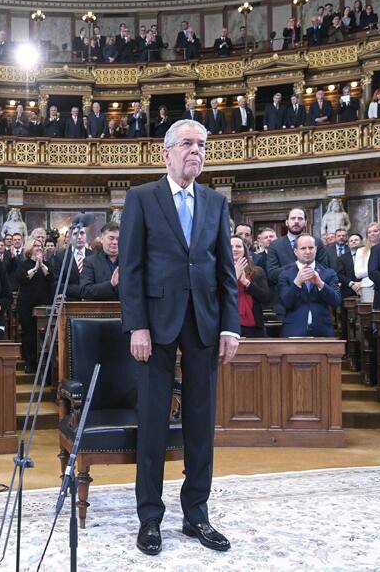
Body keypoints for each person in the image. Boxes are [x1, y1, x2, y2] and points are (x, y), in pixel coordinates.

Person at [118, 118, 238, 557]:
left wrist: (230, 326)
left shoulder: (215, 202)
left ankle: (196, 514)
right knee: (152, 421)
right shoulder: (142, 198)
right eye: (188, 144)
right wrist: (138, 325)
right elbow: (130, 269)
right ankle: (150, 517)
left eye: (202, 145)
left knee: (201, 424)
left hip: (205, 322)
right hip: (156, 323)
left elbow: (225, 269)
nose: (196, 151)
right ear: (166, 152)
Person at [266, 207, 332, 314]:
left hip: (314, 301)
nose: (296, 221)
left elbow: (324, 269)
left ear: (306, 222)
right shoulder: (275, 245)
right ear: (287, 222)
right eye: (293, 218)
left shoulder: (317, 243)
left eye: (300, 219)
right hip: (285, 303)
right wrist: (297, 266)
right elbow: (272, 274)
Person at [278, 235, 341, 337]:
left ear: (316, 249)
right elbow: (285, 303)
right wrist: (297, 283)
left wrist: (320, 283)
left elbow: (336, 301)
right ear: (295, 252)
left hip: (322, 332)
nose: (308, 251)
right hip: (293, 331)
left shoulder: (329, 273)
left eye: (311, 248)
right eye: (303, 248)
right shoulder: (285, 274)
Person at [15, 238, 52, 372]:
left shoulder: (47, 263)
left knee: (44, 334)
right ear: (30, 248)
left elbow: (50, 277)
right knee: (29, 333)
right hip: (26, 304)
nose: (39, 248)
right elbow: (22, 279)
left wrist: (41, 265)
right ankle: (29, 362)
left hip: (43, 304)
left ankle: (44, 365)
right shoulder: (24, 264)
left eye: (40, 246)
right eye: (35, 245)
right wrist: (35, 268)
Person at [231, 235, 271, 337]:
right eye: (231, 247)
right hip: (229, 325)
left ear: (244, 250)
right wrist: (234, 278)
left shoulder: (257, 271)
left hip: (254, 326)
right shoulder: (218, 272)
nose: (235, 249)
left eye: (238, 246)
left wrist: (246, 282)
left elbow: (266, 298)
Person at [80, 221, 120, 301]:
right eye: (111, 238)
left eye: (118, 239)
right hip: (101, 311)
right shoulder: (90, 262)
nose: (115, 242)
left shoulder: (130, 262)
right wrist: (110, 284)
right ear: (102, 239)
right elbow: (85, 291)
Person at [53, 226, 92, 301]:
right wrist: (81, 291)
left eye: (82, 233)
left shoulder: (94, 255)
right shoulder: (60, 257)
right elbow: (56, 284)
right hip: (70, 303)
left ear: (86, 236)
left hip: (92, 305)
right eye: (75, 234)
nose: (79, 237)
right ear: (69, 238)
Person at [351, 222, 380, 303]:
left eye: (375, 231)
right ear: (367, 235)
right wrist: (376, 270)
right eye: (369, 232)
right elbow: (358, 273)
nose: (372, 233)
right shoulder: (361, 251)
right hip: (368, 286)